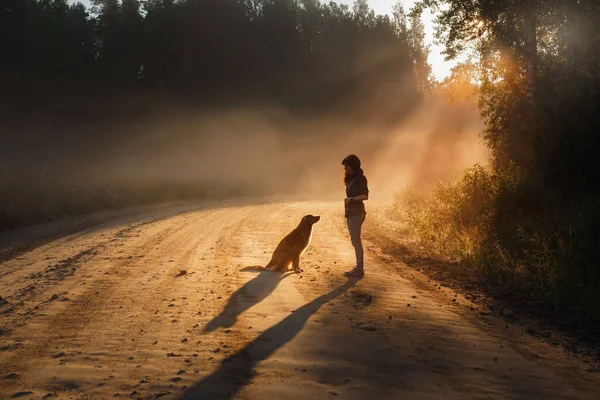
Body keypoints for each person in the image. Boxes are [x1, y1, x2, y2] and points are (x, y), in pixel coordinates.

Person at [341, 154, 369, 278]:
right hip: (351, 213)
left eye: (346, 166)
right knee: (354, 241)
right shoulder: (351, 178)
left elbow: (365, 196)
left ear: (353, 166)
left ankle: (359, 269)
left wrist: (351, 199)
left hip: (357, 213)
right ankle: (358, 268)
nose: (345, 169)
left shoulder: (360, 178)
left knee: (356, 241)